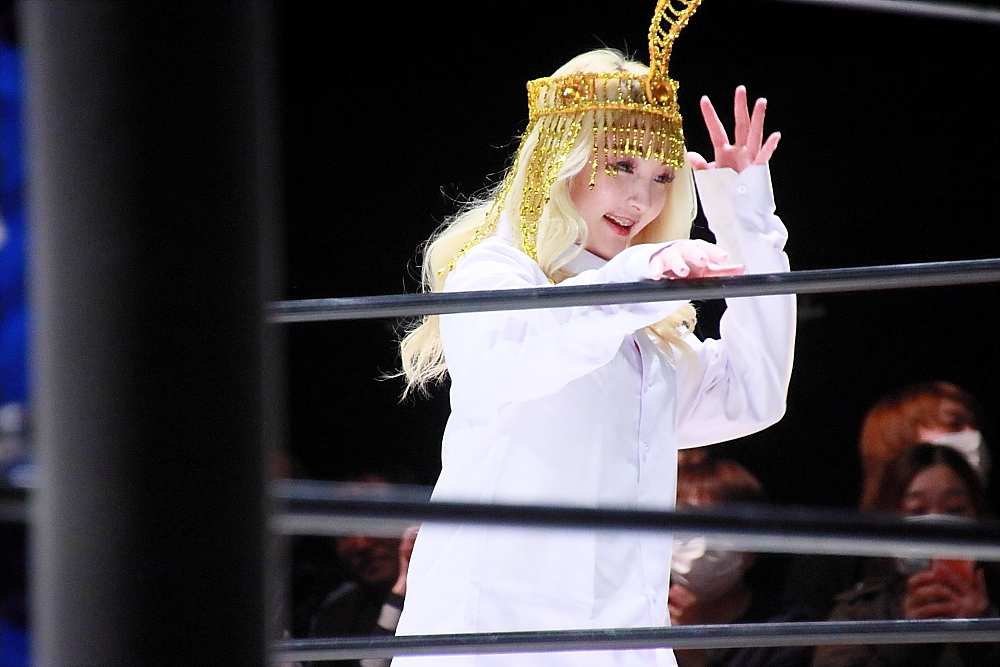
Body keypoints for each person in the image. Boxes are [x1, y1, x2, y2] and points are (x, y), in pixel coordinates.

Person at [393, 1, 796, 665]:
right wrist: (636, 283)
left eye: (662, 177)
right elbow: (514, 363)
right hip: (498, 640)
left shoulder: (647, 339)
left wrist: (744, 222)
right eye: (621, 166)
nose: (642, 200)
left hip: (624, 642)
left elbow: (754, 393)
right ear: (563, 159)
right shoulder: (496, 271)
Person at [811, 444, 999, 667]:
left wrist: (982, 632)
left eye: (956, 509)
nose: (937, 527)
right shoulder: (859, 614)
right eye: (917, 510)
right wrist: (906, 638)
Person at [669, 457, 814, 667]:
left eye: (719, 528)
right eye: (687, 524)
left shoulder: (786, 633)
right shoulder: (635, 615)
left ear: (752, 547)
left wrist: (695, 658)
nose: (700, 547)